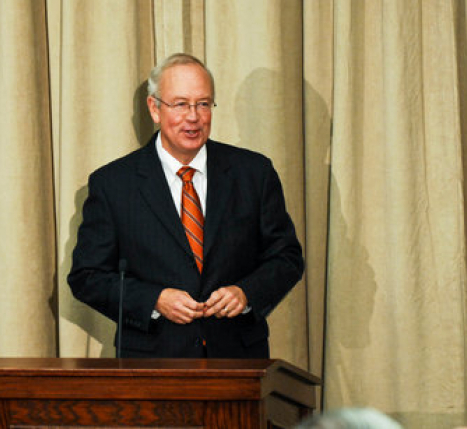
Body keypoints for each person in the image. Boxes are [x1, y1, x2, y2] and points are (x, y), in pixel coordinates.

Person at [68, 53, 303, 358]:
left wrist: (246, 293)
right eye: (180, 104)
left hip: (238, 360)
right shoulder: (114, 184)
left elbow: (286, 258)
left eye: (203, 104)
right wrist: (154, 300)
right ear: (155, 108)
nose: (193, 116)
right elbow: (87, 277)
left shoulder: (254, 174)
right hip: (153, 362)